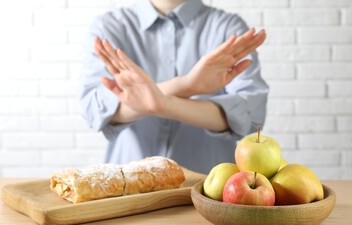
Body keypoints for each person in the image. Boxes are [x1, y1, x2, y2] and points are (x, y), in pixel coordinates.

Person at [80, 0, 269, 174]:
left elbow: (252, 112)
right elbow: (94, 109)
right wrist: (185, 85)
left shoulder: (227, 27)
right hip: (126, 190)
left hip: (208, 191)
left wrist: (165, 103)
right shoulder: (109, 26)